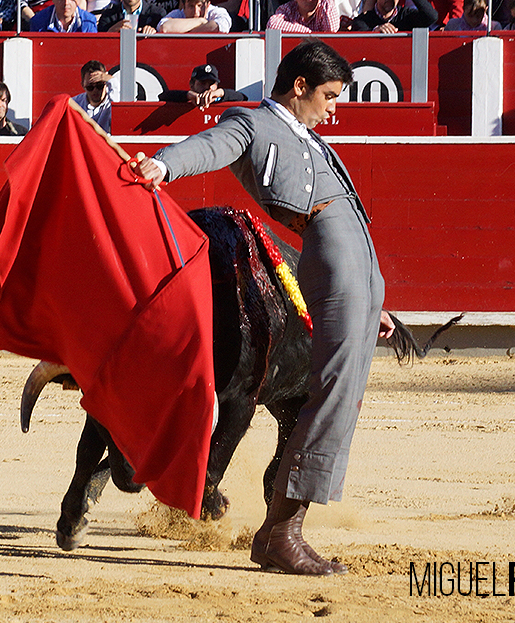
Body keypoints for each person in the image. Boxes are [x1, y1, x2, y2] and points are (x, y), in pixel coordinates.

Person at [134, 40, 395, 576]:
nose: (333, 108)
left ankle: (282, 529)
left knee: (340, 395)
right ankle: (280, 534)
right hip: (332, 247)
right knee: (332, 394)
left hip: (359, 260)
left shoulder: (310, 136)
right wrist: (163, 164)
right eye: (327, 95)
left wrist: (376, 301)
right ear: (298, 86)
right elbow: (209, 146)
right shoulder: (251, 122)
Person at [159, 63, 248, 110]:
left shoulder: (219, 99)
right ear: (192, 84)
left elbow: (243, 97)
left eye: (211, 83)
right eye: (203, 82)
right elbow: (163, 96)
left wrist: (221, 93)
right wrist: (188, 95)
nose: (207, 87)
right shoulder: (185, 100)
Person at [157, 0, 233, 32]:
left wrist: (184, 30)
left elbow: (220, 26)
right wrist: (200, 21)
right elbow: (164, 27)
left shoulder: (217, 12)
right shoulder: (178, 13)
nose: (196, 12)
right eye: (191, 6)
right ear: (183, 6)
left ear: (208, 5)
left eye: (200, 6)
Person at [71, 59, 115, 132]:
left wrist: (110, 79)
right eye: (90, 87)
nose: (95, 90)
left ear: (106, 83)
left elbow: (118, 106)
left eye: (99, 86)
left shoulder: (111, 102)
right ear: (83, 85)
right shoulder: (75, 104)